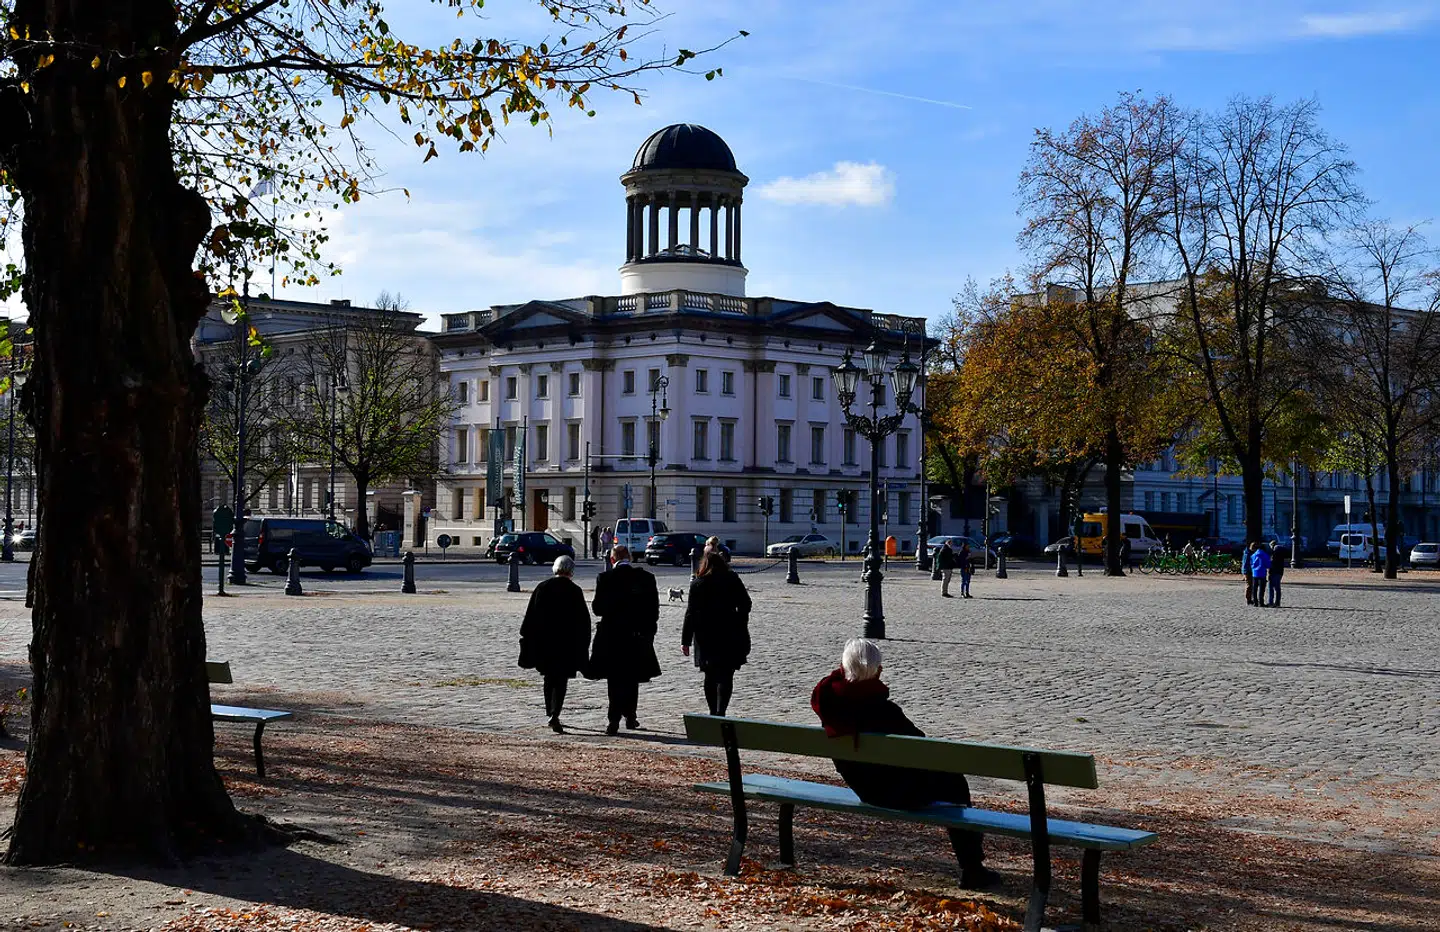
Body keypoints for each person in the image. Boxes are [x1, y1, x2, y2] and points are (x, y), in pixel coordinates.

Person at [811, 638, 1000, 890]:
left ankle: (973, 865)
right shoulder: (885, 711)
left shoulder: (831, 704)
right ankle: (972, 867)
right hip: (894, 792)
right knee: (955, 783)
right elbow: (922, 748)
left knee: (949, 781)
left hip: (863, 787)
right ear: (878, 671)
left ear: (843, 668)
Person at [588, 544, 661, 735]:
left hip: (612, 636)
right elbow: (653, 610)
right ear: (629, 557)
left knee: (614, 679)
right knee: (632, 677)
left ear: (612, 560)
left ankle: (613, 720)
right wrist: (648, 632)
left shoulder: (605, 578)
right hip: (636, 635)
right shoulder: (646, 578)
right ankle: (630, 715)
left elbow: (597, 609)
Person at [518, 556, 592, 734]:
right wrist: (583, 645)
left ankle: (549, 712)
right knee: (561, 680)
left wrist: (528, 637)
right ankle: (555, 713)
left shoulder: (543, 587)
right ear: (571, 571)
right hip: (566, 643)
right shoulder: (574, 591)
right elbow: (583, 622)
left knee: (548, 678)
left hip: (545, 642)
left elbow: (531, 616)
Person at [682, 547, 752, 715]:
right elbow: (746, 604)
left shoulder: (698, 583)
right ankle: (721, 711)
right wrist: (739, 621)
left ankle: (713, 711)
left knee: (710, 675)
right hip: (730, 633)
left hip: (705, 635)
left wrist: (686, 640)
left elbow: (690, 613)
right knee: (726, 675)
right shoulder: (732, 579)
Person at [1249, 542, 1270, 609]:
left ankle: (1255, 602)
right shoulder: (1265, 555)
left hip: (1255, 573)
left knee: (1254, 589)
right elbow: (1268, 565)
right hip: (1262, 573)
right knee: (1262, 589)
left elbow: (1251, 564)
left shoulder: (1253, 555)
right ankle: (1261, 602)